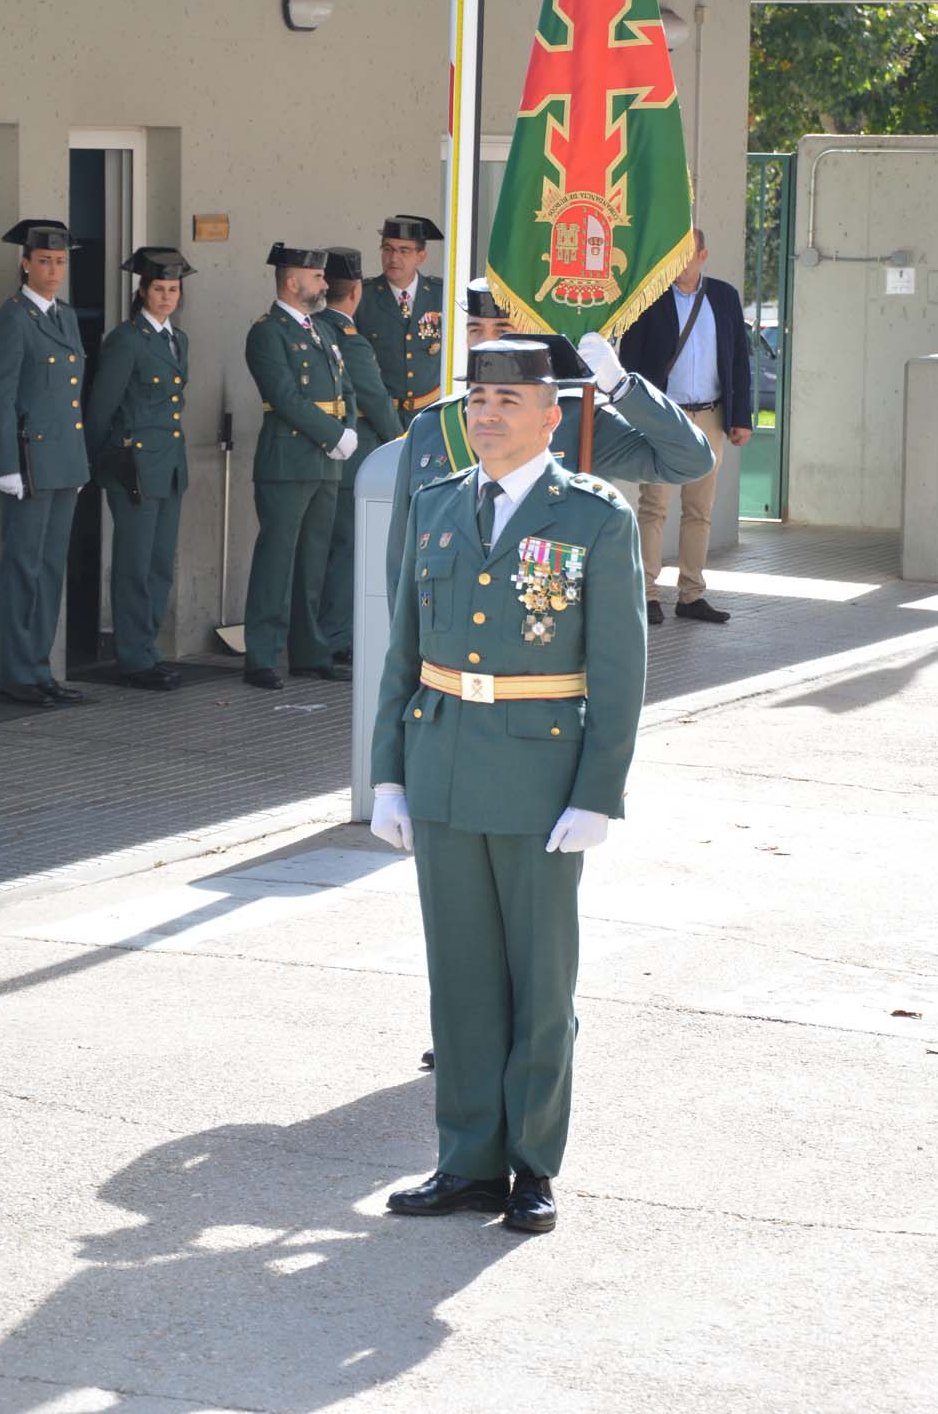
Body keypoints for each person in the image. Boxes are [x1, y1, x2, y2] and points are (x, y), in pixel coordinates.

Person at [370, 339, 646, 1235]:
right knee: (460, 980)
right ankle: (467, 1164)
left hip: (540, 776)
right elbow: (402, 654)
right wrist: (387, 774)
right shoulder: (436, 504)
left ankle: (531, 1167)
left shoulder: (595, 518)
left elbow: (620, 668)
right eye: (478, 398)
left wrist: (598, 793)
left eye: (507, 400)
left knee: (539, 979)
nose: (487, 414)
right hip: (444, 762)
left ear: (550, 414)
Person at [385, 276, 715, 604]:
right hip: (447, 640)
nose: (488, 344)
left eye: (502, 330)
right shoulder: (432, 427)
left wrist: (621, 388)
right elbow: (403, 559)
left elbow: (691, 460)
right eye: (475, 330)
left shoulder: (577, 419)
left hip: (540, 631)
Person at [618, 228, 752, 626]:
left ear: (703, 254)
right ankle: (647, 593)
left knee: (700, 508)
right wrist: (637, 414)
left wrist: (739, 416)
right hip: (664, 415)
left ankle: (692, 594)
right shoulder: (649, 299)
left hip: (710, 415)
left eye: (686, 255)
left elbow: (739, 359)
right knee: (654, 505)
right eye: (672, 255)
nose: (679, 264)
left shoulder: (724, 297)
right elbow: (632, 361)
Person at [242, 242, 357, 691]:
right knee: (277, 560)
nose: (325, 284)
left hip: (324, 460)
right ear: (293, 282)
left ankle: (309, 651)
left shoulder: (322, 330)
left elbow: (345, 386)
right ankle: (262, 656)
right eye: (316, 278)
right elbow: (285, 397)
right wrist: (334, 435)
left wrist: (345, 430)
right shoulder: (267, 332)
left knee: (312, 560)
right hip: (289, 460)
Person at [0, 220, 89, 706]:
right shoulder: (11, 319)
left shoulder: (64, 316)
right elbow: (0, 396)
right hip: (27, 463)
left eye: (61, 262)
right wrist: (5, 464)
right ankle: (16, 672)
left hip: (63, 462)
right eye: (45, 261)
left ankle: (40, 667)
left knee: (50, 568)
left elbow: (69, 397)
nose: (53, 270)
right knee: (22, 567)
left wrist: (77, 460)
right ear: (25, 263)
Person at [85, 247, 195, 690]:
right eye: (159, 289)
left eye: (173, 290)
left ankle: (147, 648)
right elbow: (101, 408)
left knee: (159, 564)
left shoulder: (178, 339)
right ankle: (133, 657)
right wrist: (93, 463)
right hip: (132, 467)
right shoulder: (127, 339)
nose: (167, 297)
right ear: (143, 292)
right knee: (133, 564)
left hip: (168, 467)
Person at [316, 246, 401, 667]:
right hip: (354, 462)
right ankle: (334, 636)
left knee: (322, 551)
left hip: (320, 458)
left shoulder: (311, 328)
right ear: (356, 293)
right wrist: (403, 442)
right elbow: (375, 399)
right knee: (346, 553)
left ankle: (320, 635)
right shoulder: (349, 340)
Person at [356, 217, 444, 427]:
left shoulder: (441, 294)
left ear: (421, 256)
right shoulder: (362, 296)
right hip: (375, 421)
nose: (393, 258)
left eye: (404, 251)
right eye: (388, 249)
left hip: (429, 416)